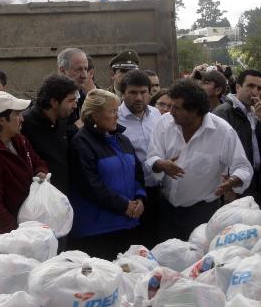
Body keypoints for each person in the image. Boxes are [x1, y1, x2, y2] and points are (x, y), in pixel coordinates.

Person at [146, 79, 253, 241]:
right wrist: (161, 164)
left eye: (177, 108)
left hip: (203, 213)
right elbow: (152, 156)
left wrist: (232, 181)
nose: (170, 111)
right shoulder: (164, 123)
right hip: (167, 209)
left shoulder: (223, 132)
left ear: (195, 111)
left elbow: (243, 168)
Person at [69, 89, 146, 260]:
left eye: (117, 111)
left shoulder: (122, 140)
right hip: (97, 229)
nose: (117, 116)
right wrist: (124, 206)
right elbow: (90, 185)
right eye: (112, 111)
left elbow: (137, 174)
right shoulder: (81, 142)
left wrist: (140, 199)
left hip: (128, 224)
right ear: (94, 115)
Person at [0, 91, 48, 242]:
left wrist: (40, 173)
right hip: (5, 239)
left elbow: (38, 162)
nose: (22, 119)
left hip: (28, 229)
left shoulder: (19, 140)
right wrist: (19, 234)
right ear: (1, 120)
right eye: (17, 114)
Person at [117, 70, 161, 248]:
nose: (139, 98)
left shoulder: (157, 115)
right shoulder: (115, 118)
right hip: (131, 195)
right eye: (133, 93)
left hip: (158, 190)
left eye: (143, 92)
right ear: (123, 93)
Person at [22, 74, 78, 195]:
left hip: (62, 199)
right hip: (38, 202)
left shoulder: (62, 119)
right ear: (54, 102)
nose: (75, 106)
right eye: (70, 101)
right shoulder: (25, 124)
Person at [213, 69, 261, 204]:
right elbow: (217, 153)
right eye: (250, 86)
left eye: (259, 88)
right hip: (236, 185)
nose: (255, 92)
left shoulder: (255, 112)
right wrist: (230, 188)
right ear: (238, 87)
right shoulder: (223, 112)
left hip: (254, 180)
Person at [57, 47, 89, 133]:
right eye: (79, 69)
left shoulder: (85, 96)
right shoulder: (54, 100)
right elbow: (53, 135)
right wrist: (75, 127)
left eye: (86, 69)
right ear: (62, 71)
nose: (84, 75)